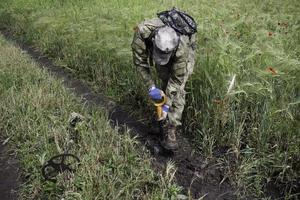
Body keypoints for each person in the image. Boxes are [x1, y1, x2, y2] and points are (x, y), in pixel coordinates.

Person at [131, 8, 197, 150]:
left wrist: (166, 106)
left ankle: (171, 128)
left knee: (177, 90)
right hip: (158, 44)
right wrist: (151, 87)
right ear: (154, 41)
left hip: (183, 52)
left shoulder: (182, 48)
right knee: (164, 78)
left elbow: (177, 80)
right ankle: (160, 118)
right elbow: (140, 64)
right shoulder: (142, 34)